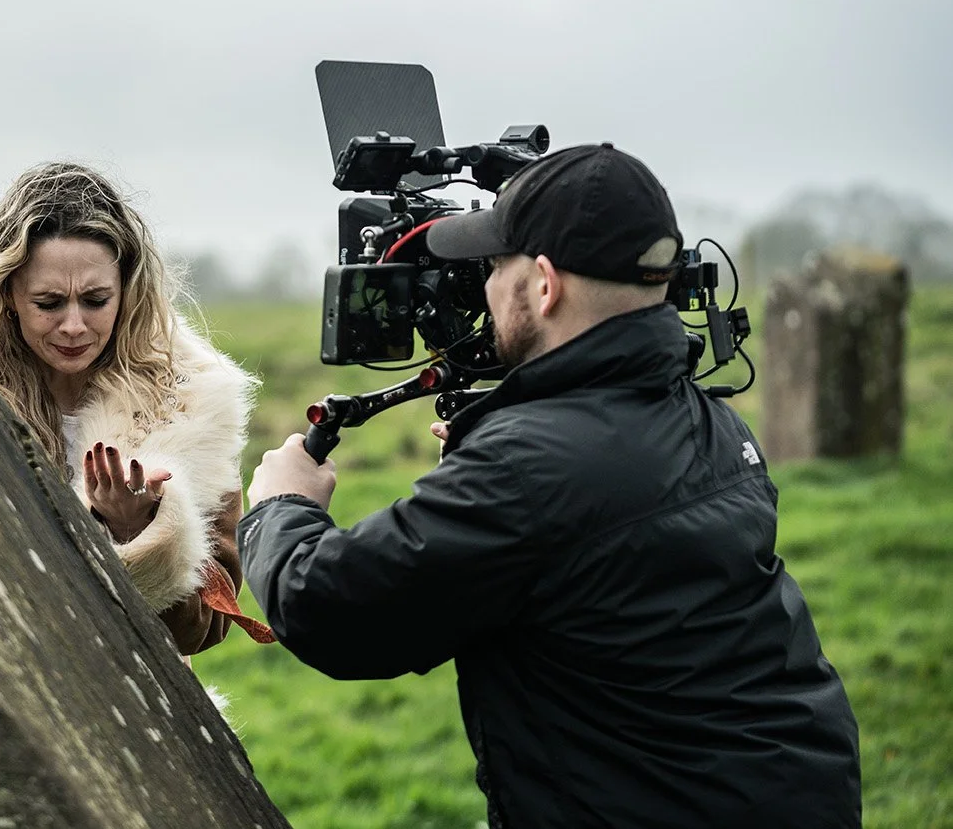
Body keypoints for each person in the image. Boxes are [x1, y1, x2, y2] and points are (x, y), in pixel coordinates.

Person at [239, 143, 861, 828]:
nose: (482, 284)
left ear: (542, 283)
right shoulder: (711, 420)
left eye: (494, 264)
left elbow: (329, 607)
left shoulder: (531, 470)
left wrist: (281, 505)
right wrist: (500, 455)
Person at [0, 161, 269, 655]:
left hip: (124, 702)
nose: (74, 325)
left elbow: (203, 631)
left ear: (127, 292)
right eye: (49, 303)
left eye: (96, 300)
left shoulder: (192, 403)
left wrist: (136, 531)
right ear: (8, 295)